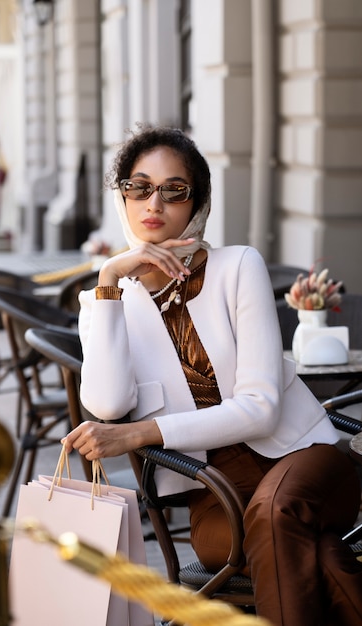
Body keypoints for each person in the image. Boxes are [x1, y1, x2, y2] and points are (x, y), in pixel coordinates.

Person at [63, 125, 362, 625]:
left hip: (303, 460)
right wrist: (111, 280)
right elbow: (109, 405)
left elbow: (262, 409)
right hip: (211, 493)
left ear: (195, 204)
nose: (154, 202)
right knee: (319, 557)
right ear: (123, 197)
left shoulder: (238, 266)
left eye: (174, 190)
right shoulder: (105, 302)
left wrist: (141, 432)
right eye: (139, 187)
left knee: (275, 515)